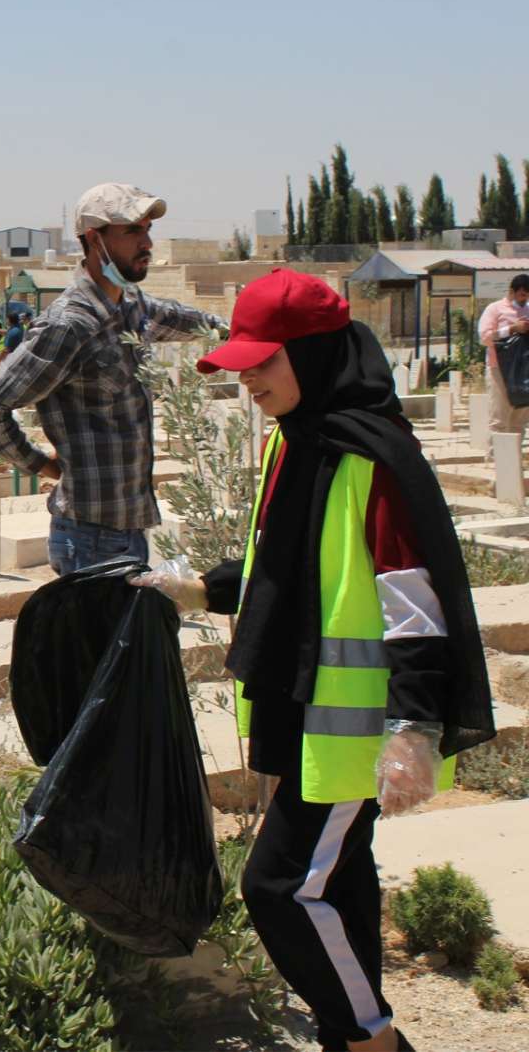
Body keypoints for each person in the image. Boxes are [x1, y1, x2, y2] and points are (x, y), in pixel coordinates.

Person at [135, 270, 494, 1052]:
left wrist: (414, 727)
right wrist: (198, 590)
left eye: (265, 362)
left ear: (318, 354)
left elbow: (415, 601)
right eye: (242, 364)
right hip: (304, 716)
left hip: (355, 732)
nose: (248, 379)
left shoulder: (373, 458)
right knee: (339, 883)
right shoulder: (295, 444)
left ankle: (371, 1039)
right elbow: (283, 568)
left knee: (280, 887)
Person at [0, 182, 226, 575]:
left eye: (147, 230)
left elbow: (184, 320)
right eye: (132, 232)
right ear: (94, 240)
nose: (147, 243)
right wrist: (40, 464)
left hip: (131, 530)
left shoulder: (131, 307)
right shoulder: (70, 325)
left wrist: (240, 330)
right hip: (88, 540)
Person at [478, 273, 529, 443]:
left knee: (519, 418)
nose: (524, 300)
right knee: (499, 416)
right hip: (499, 368)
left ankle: (513, 462)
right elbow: (485, 337)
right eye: (522, 295)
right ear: (512, 291)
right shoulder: (495, 309)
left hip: (524, 370)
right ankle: (496, 460)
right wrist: (512, 329)